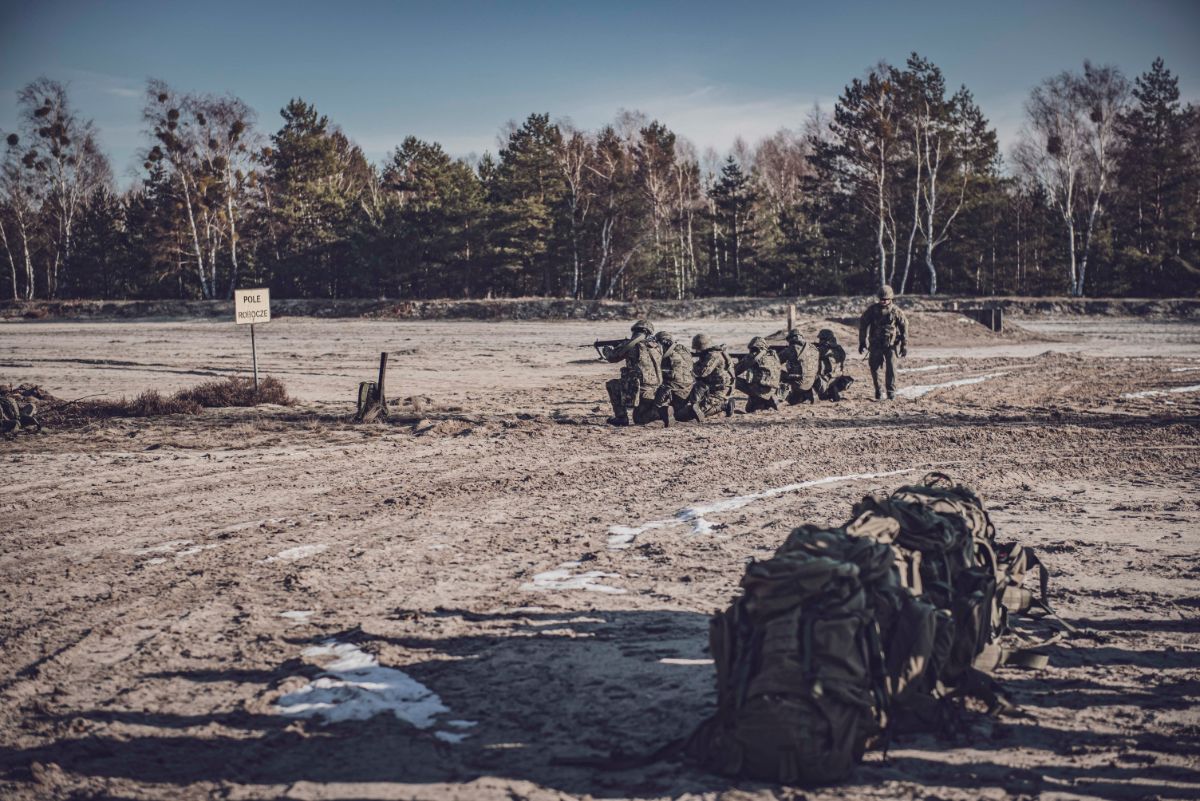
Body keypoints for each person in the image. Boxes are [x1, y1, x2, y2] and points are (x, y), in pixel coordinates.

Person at [602, 320, 663, 426]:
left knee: (612, 384)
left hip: (638, 390)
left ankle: (621, 417)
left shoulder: (630, 345)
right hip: (656, 390)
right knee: (639, 419)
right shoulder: (658, 347)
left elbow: (612, 357)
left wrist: (606, 350)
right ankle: (656, 413)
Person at [858, 285, 909, 401]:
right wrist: (862, 342)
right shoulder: (872, 310)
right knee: (874, 368)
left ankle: (891, 392)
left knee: (891, 369)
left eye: (885, 299)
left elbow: (904, 327)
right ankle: (878, 390)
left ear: (891, 298)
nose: (883, 301)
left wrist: (904, 345)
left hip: (891, 346)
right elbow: (863, 324)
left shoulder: (896, 311)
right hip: (875, 345)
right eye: (881, 299)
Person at [678, 333, 734, 422]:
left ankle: (724, 405)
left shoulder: (713, 356)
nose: (696, 352)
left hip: (719, 391)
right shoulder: (712, 354)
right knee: (683, 411)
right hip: (712, 388)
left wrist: (688, 363)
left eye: (698, 349)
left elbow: (701, 373)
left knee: (691, 413)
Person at [654, 330, 693, 426]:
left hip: (673, 388)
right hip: (689, 387)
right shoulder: (683, 349)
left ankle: (663, 410)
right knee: (680, 412)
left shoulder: (663, 351)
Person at [734, 337, 782, 412]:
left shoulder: (754, 356)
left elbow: (736, 371)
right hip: (772, 389)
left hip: (759, 389)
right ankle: (768, 399)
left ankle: (763, 399)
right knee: (750, 409)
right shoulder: (773, 356)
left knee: (732, 379)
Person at [779, 329, 818, 405]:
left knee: (777, 373)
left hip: (798, 383)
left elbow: (776, 361)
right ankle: (807, 393)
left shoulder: (791, 349)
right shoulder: (813, 348)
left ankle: (782, 395)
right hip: (811, 381)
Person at [815, 329, 854, 401]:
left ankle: (831, 390)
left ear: (825, 339)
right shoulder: (839, 348)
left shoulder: (825, 350)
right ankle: (833, 389)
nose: (820, 340)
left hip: (827, 378)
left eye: (821, 339)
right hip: (838, 376)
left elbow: (817, 354)